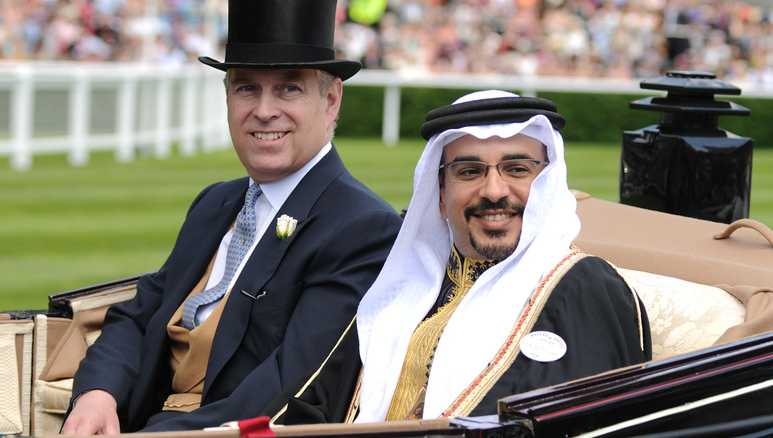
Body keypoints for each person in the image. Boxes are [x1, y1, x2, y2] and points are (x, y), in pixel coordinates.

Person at [61, 0, 402, 434]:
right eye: (246, 88)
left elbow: (289, 391)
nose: (263, 110)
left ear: (331, 99)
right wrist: (97, 397)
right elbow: (139, 314)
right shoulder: (216, 203)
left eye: (288, 89)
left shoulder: (361, 227)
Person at [265, 90, 652, 425]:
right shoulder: (401, 287)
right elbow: (318, 406)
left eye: (517, 168)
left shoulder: (584, 289)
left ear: (548, 184)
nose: (495, 190)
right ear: (439, 194)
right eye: (469, 172)